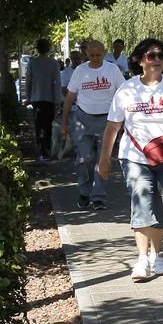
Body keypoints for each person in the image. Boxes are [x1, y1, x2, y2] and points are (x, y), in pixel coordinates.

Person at [98, 39, 163, 282]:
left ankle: (157, 254)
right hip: (135, 156)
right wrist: (104, 159)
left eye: (160, 55)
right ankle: (142, 259)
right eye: (150, 55)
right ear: (139, 60)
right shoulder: (127, 90)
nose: (156, 60)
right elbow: (113, 126)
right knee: (142, 198)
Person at [62, 39, 124, 210]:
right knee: (84, 159)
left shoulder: (112, 70)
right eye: (92, 55)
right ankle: (84, 191)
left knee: (102, 160)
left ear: (104, 53)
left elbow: (123, 94)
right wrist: (65, 122)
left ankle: (98, 196)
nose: (95, 59)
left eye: (98, 55)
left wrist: (125, 120)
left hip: (107, 120)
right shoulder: (80, 71)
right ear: (86, 55)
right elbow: (69, 97)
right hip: (82, 119)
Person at [25, 38, 61, 160]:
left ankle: (42, 150)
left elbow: (28, 81)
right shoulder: (54, 63)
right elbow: (57, 82)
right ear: (48, 48)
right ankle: (48, 148)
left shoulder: (32, 62)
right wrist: (58, 99)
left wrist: (27, 97)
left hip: (36, 98)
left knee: (38, 125)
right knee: (48, 125)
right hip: (50, 98)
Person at [51, 49, 81, 160]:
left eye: (78, 58)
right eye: (74, 58)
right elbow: (63, 89)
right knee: (72, 129)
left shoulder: (85, 71)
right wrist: (71, 99)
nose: (77, 60)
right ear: (71, 59)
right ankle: (71, 151)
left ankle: (79, 151)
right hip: (71, 106)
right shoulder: (65, 73)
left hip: (83, 106)